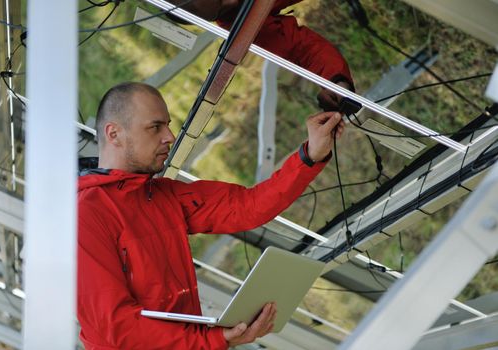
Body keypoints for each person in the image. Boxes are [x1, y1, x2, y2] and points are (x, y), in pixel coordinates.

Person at [77, 82, 344, 349]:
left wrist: (310, 155)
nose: (169, 136)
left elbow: (249, 206)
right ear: (114, 134)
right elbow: (116, 325)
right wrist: (210, 340)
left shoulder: (163, 195)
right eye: (155, 127)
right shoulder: (84, 216)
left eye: (168, 125)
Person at [167, 0, 355, 111]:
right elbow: (301, 48)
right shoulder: (242, 25)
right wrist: (336, 82)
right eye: (220, 5)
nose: (231, 1)